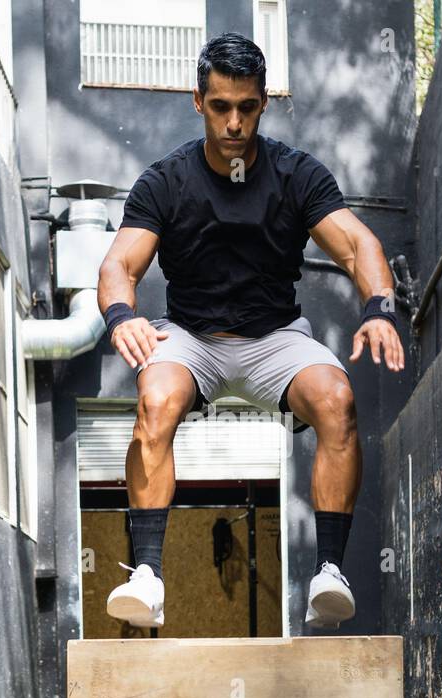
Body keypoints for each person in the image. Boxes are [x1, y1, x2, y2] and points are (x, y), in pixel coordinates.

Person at [97, 32, 404, 631]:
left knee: (338, 401)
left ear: (263, 103)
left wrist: (378, 308)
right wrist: (122, 315)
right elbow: (119, 265)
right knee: (154, 401)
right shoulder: (166, 181)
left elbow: (358, 244)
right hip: (192, 337)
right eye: (220, 107)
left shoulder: (296, 176)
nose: (234, 123)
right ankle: (148, 577)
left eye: (247, 107)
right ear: (197, 102)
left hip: (276, 338)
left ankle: (329, 576)